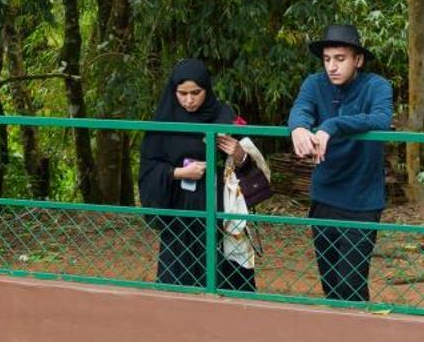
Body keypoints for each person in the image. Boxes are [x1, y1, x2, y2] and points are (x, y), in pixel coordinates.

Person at [138, 59, 267, 291]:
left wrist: (239, 155)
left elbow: (252, 166)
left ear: (207, 89)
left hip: (219, 210)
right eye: (182, 93)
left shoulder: (224, 115)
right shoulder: (164, 121)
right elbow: (149, 167)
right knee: (178, 283)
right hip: (179, 213)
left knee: (225, 281)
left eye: (196, 93)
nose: (189, 100)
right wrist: (178, 172)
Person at [287, 23, 393, 305]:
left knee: (351, 282)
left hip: (362, 198)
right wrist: (298, 127)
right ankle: (337, 341)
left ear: (358, 60)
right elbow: (301, 109)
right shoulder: (314, 83)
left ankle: (360, 341)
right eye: (327, 59)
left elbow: (381, 119)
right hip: (325, 195)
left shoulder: (377, 86)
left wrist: (332, 125)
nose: (332, 66)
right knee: (331, 281)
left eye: (340, 59)